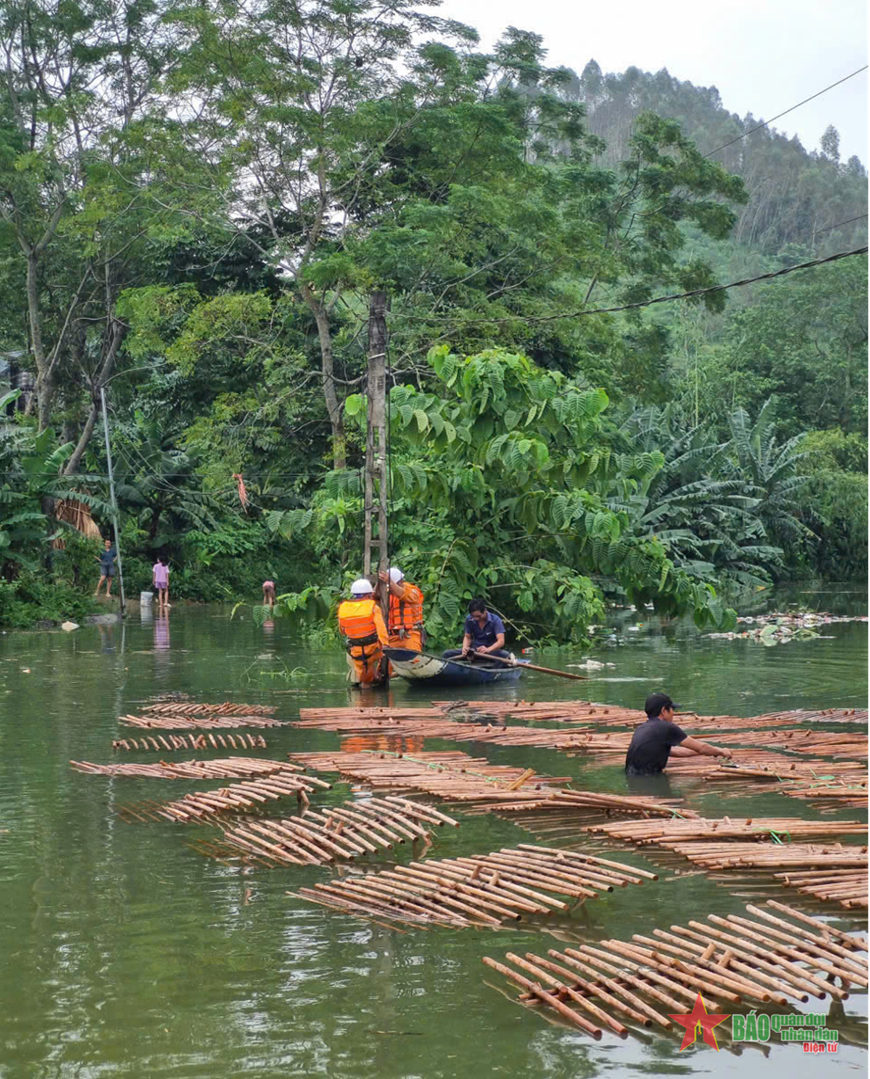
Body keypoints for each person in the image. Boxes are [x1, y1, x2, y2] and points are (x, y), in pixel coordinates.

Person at [624, 692, 733, 776]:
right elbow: (701, 747)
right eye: (672, 709)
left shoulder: (641, 728)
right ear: (664, 711)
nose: (674, 713)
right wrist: (722, 751)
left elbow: (674, 752)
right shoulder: (666, 727)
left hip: (633, 777)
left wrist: (707, 752)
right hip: (649, 779)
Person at [337, 577, 389, 687]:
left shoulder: (343, 608)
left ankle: (371, 678)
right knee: (378, 663)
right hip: (373, 649)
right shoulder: (373, 608)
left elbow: (342, 630)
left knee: (365, 679)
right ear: (369, 594)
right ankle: (378, 677)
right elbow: (381, 630)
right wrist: (385, 644)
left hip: (355, 650)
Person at [443, 598, 511, 661]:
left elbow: (501, 641)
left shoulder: (495, 620)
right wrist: (465, 648)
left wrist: (488, 649)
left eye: (478, 616)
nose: (476, 619)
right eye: (473, 616)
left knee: (506, 655)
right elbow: (467, 637)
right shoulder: (469, 619)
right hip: (474, 651)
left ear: (485, 611)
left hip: (491, 652)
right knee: (447, 654)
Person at [378, 566, 425, 652]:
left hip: (410, 635)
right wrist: (379, 583)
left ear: (400, 581)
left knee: (414, 659)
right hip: (392, 637)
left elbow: (406, 596)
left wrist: (391, 583)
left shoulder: (412, 591)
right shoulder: (387, 594)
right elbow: (374, 597)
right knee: (385, 662)